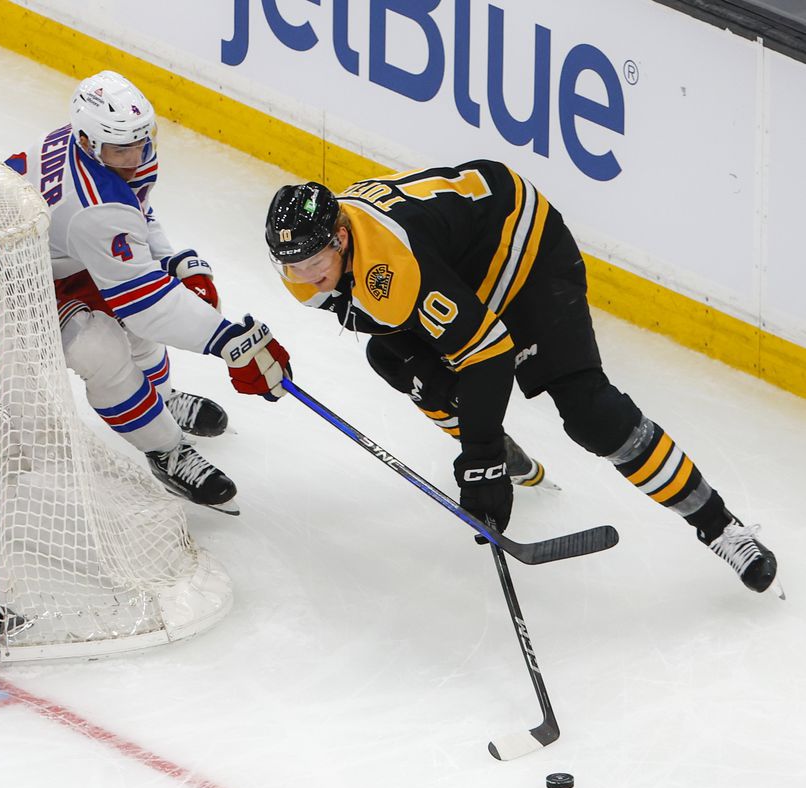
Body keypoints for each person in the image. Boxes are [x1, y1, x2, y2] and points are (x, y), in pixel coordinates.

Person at [263, 163, 777, 593]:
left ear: (342, 237)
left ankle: (718, 525)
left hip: (521, 249)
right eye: (292, 266)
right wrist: (448, 398)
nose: (306, 275)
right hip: (455, 264)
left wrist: (480, 459)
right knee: (401, 364)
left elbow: (488, 355)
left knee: (589, 413)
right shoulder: (324, 265)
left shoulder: (392, 261)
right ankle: (497, 449)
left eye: (314, 261)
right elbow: (375, 316)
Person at [0, 73, 292, 514]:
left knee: (138, 300)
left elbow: (134, 217)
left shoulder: (103, 152)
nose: (133, 157)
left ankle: (160, 400)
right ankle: (166, 450)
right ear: (89, 142)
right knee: (100, 348)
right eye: (120, 149)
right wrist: (228, 341)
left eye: (139, 144)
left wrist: (175, 261)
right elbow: (146, 304)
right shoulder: (94, 206)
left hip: (39, 256)